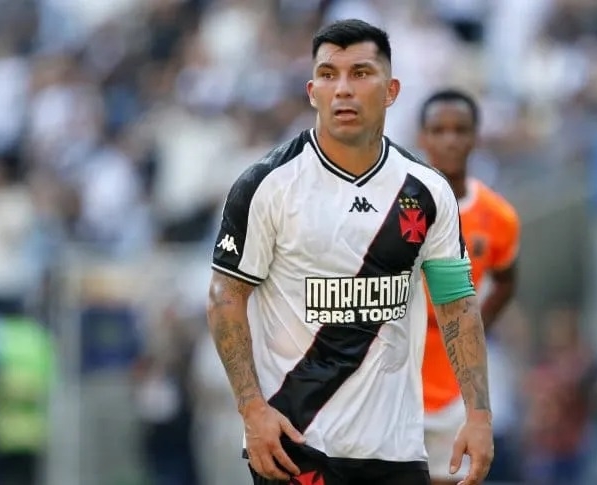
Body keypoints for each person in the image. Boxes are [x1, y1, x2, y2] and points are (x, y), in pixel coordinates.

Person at [206, 19, 493, 485]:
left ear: (391, 90)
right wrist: (252, 409)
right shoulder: (267, 185)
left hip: (396, 450)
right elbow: (225, 297)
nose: (342, 89)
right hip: (296, 445)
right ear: (311, 91)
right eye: (328, 74)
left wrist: (478, 415)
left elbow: (457, 304)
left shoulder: (427, 190)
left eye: (360, 73)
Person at [415, 89, 520, 485]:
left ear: (476, 136)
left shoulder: (498, 216)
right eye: (438, 130)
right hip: (396, 375)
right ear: (422, 137)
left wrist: (473, 329)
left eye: (460, 130)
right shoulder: (396, 206)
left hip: (456, 384)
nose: (450, 140)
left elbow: (507, 281)